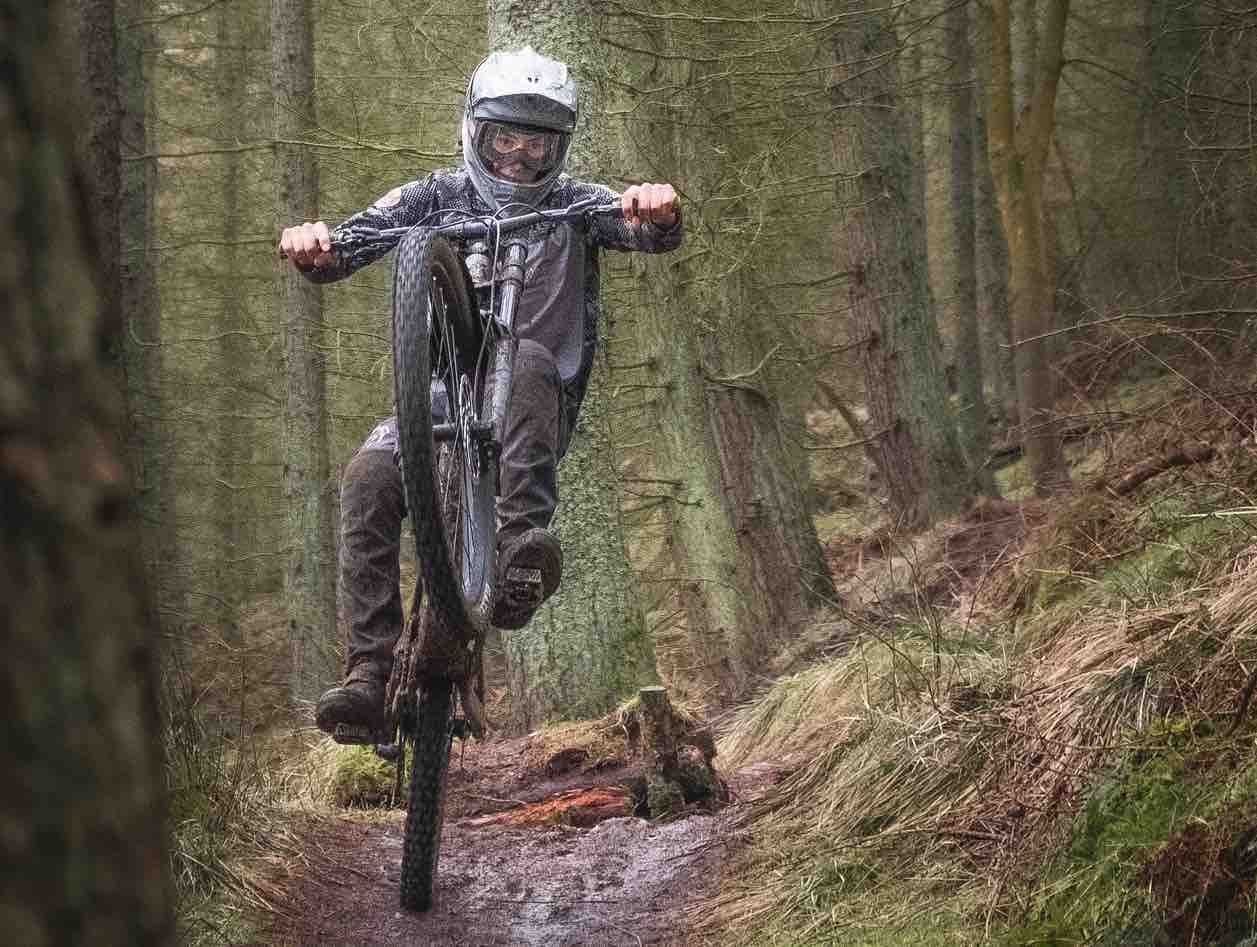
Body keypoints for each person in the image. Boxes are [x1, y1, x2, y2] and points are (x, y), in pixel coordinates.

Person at [278, 46, 683, 736]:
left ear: (559, 148)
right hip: (438, 400)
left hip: (531, 401)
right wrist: (314, 244)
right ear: (475, 130)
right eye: (504, 141)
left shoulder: (575, 202)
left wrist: (657, 210)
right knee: (366, 480)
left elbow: (644, 231)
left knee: (522, 354)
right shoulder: (433, 195)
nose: (517, 160)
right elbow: (347, 246)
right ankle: (367, 674)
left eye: (537, 146)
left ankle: (521, 547)